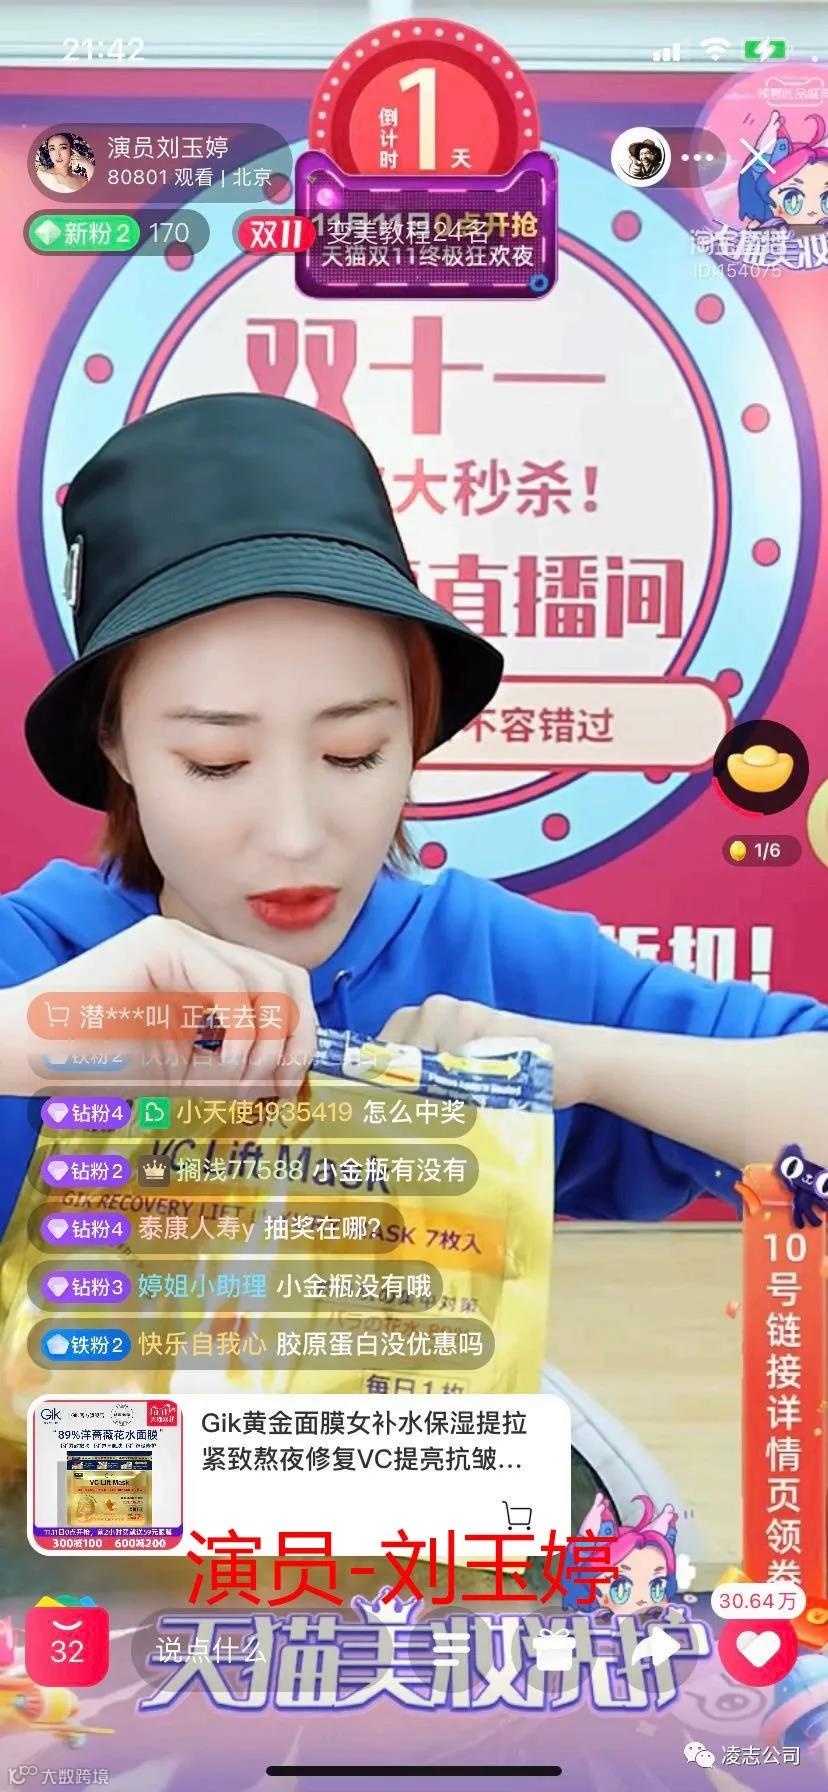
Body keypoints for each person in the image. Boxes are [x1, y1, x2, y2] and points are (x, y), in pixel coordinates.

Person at [0, 391, 825, 1242]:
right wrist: (27, 1038)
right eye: (218, 762)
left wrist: (582, 1064)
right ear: (115, 744)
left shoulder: (490, 964)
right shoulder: (38, 964)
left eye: (353, 752)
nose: (295, 836)